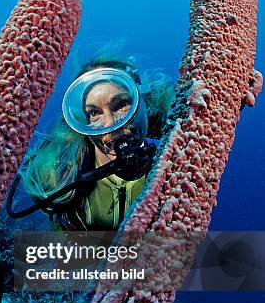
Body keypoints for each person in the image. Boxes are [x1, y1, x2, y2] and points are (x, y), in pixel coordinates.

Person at [15, 54, 175, 231]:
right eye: (94, 113)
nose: (109, 125)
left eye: (122, 104)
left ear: (145, 102)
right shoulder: (58, 175)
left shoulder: (176, 165)